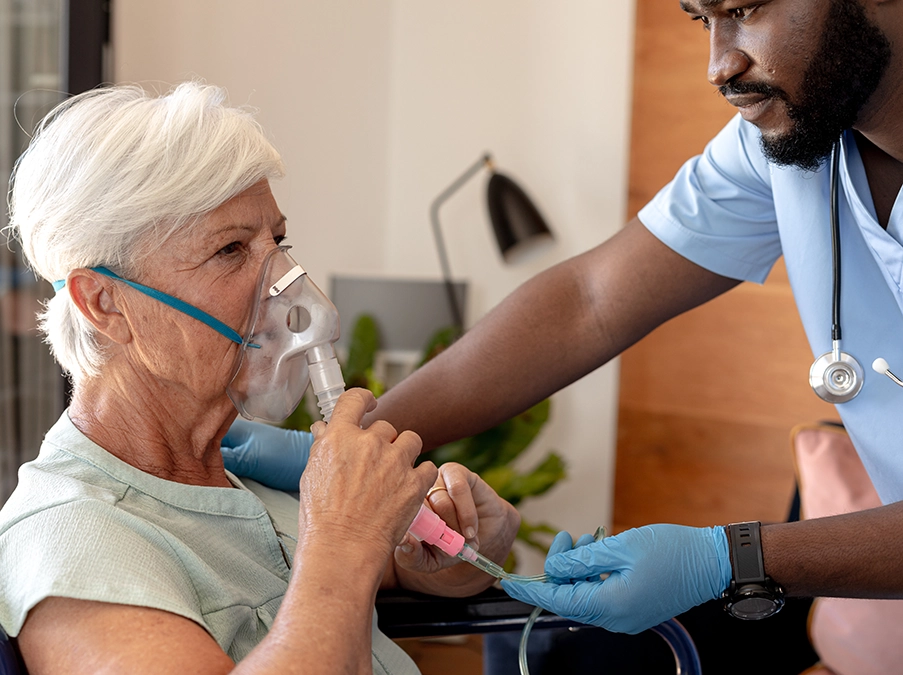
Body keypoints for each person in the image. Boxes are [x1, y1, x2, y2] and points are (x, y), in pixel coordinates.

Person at [223, 0, 903, 652]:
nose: (717, 63)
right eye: (701, 18)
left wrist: (730, 557)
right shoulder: (785, 141)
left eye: (744, 10)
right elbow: (587, 302)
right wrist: (368, 439)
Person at [0, 81, 520, 675]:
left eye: (277, 242)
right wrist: (344, 534)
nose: (287, 284)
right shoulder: (74, 540)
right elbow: (336, 574)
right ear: (106, 304)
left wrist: (462, 543)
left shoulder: (235, 488)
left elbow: (403, 568)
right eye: (229, 250)